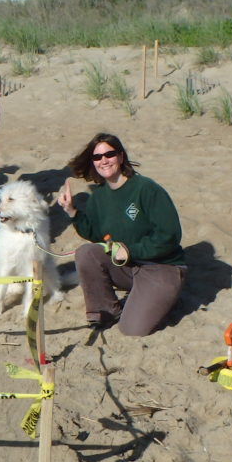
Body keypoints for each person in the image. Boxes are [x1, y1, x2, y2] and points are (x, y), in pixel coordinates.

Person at [56, 133, 186, 335]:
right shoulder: (99, 195)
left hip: (160, 268)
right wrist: (71, 211)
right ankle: (106, 312)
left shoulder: (146, 188)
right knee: (86, 253)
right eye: (97, 157)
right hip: (127, 266)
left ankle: (162, 298)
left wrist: (130, 250)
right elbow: (96, 234)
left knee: (131, 329)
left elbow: (169, 235)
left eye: (109, 154)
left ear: (121, 156)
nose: (104, 160)